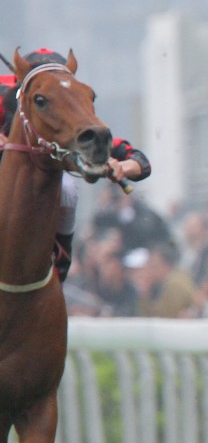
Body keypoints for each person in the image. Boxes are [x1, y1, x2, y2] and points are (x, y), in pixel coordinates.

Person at [12, 49, 152, 282]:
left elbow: (141, 162)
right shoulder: (6, 97)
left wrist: (123, 167)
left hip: (49, 173)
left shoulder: (71, 103)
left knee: (68, 190)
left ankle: (62, 262)